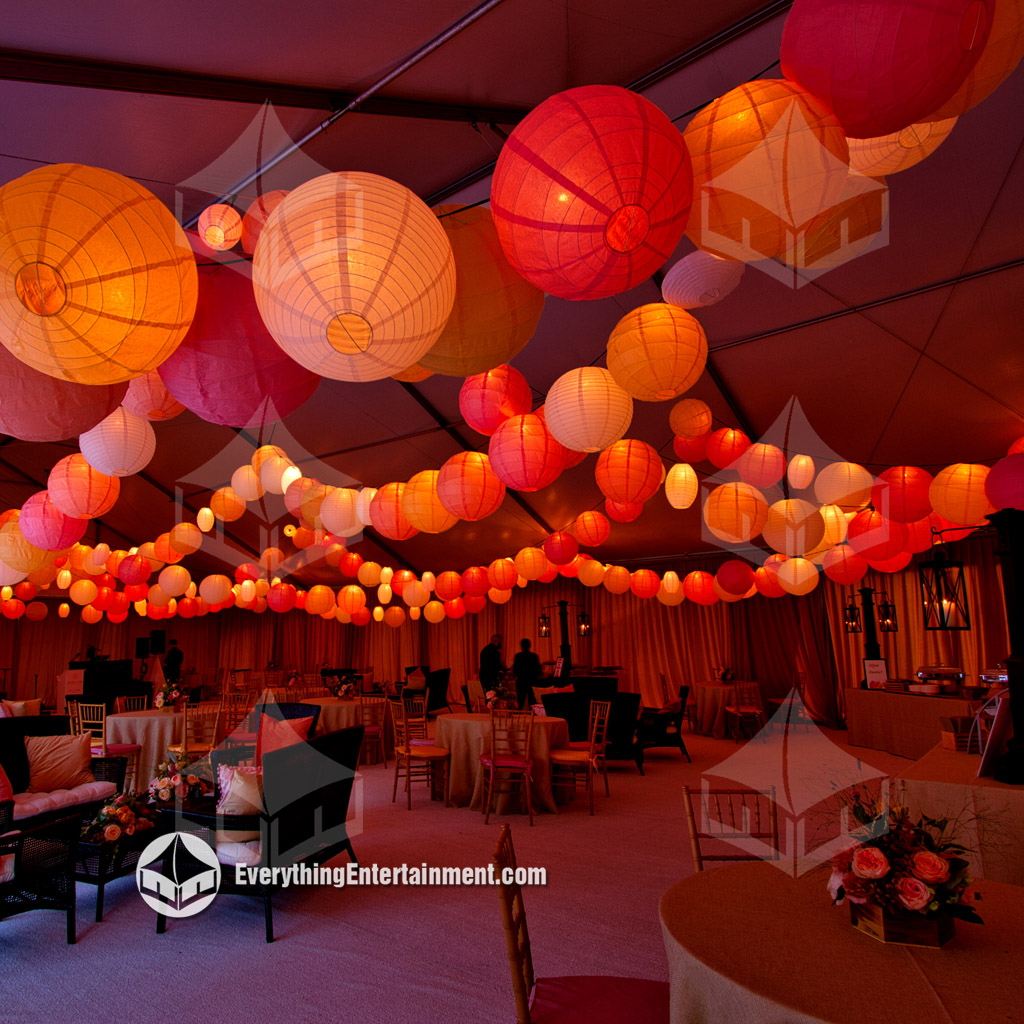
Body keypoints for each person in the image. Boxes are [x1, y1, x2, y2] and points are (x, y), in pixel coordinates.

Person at [512, 638, 542, 709]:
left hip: (521, 681)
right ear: (529, 645)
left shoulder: (518, 656)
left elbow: (515, 670)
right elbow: (538, 670)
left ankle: (518, 717)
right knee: (532, 701)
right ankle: (533, 717)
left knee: (520, 700)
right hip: (532, 680)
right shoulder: (534, 656)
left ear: (521, 646)